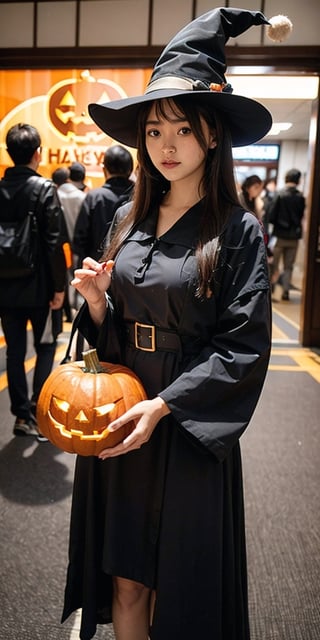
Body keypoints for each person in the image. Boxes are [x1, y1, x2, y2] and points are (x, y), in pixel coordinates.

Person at [61, 8, 287, 640]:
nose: (165, 144)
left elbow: (243, 345)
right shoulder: (127, 220)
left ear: (212, 135)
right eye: (154, 129)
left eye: (182, 129)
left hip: (185, 422)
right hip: (123, 408)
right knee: (127, 576)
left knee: (178, 582)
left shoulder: (238, 231)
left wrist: (165, 406)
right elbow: (112, 327)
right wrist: (99, 302)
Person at [0, 123, 67, 441]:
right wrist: (59, 289)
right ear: (38, 153)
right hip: (40, 288)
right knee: (45, 346)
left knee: (14, 351)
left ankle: (21, 416)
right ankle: (39, 414)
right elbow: (54, 244)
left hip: (5, 288)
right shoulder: (44, 189)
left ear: (9, 154)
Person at [73, 145, 134, 262]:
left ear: (104, 169)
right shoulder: (140, 197)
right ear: (130, 170)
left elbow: (80, 239)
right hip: (129, 269)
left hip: (97, 268)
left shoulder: (94, 197)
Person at [267, 168, 305, 300]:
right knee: (289, 266)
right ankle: (286, 291)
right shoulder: (300, 197)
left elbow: (271, 216)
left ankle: (270, 290)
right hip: (294, 237)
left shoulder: (279, 194)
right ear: (298, 180)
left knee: (273, 264)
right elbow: (301, 216)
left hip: (279, 236)